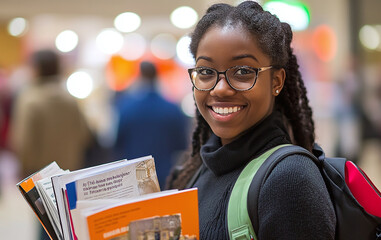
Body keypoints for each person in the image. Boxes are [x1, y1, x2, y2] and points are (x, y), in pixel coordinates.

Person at [166, 2, 336, 239]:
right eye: (206, 72)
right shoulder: (196, 170)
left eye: (243, 71)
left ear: (276, 81)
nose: (221, 89)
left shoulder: (288, 178)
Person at [10, 49, 92, 239]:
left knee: (45, 223)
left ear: (36, 68)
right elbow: (85, 135)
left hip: (39, 174)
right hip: (69, 171)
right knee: (66, 224)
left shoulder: (30, 99)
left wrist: (23, 168)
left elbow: (24, 143)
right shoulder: (70, 99)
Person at [114, 61, 189, 189]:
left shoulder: (126, 108)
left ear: (139, 76)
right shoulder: (172, 108)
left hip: (134, 179)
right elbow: (181, 144)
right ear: (157, 76)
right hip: (165, 177)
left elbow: (117, 144)